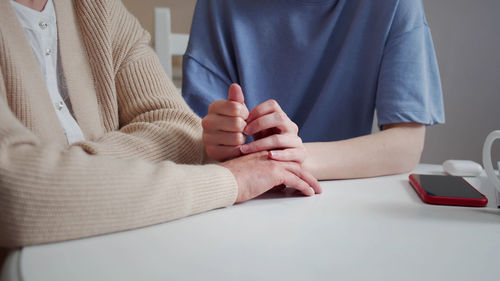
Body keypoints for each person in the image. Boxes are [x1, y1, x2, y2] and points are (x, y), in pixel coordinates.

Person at [0, 0, 321, 266]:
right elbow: (14, 192)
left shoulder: (97, 7)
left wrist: (64, 172)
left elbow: (180, 129)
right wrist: (228, 181)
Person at [182, 0, 445, 180]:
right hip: (239, 194)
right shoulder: (219, 5)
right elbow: (194, 137)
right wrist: (218, 142)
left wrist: (299, 158)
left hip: (341, 196)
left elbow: (407, 144)